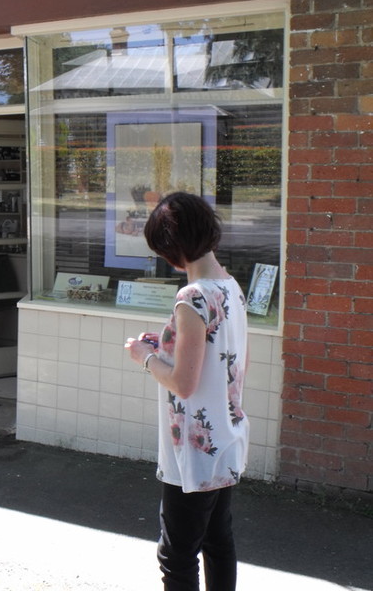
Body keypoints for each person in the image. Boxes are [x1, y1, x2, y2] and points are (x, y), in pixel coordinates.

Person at [124, 192, 249, 591]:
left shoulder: (192, 298)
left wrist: (144, 355)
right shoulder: (229, 287)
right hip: (225, 436)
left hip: (193, 448)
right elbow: (212, 358)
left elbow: (183, 382)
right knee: (217, 541)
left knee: (176, 555)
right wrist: (163, 347)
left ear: (173, 246)